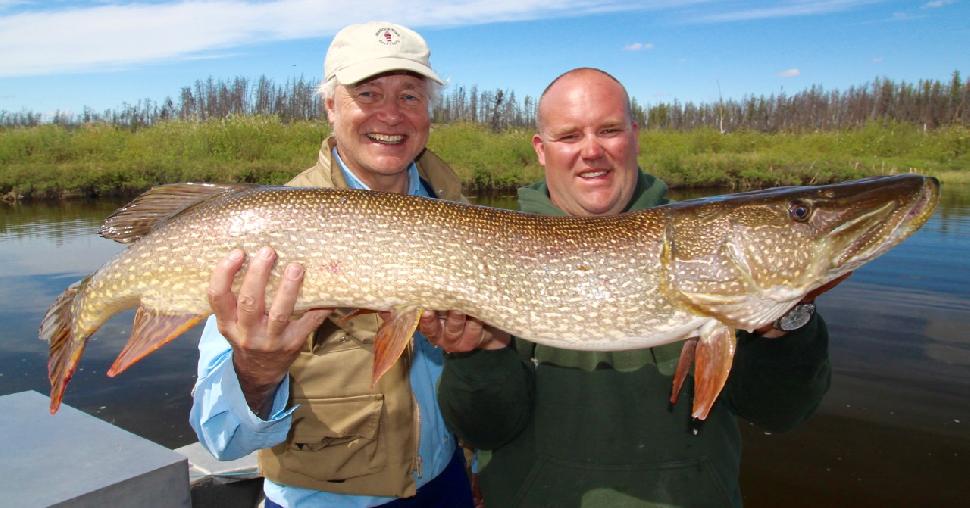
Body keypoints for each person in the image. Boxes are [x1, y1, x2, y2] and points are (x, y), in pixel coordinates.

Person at [425, 67, 837, 507]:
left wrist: (787, 322)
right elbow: (485, 431)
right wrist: (476, 358)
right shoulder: (491, 247)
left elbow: (779, 412)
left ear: (634, 136)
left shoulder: (710, 249)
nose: (591, 151)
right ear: (542, 151)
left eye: (609, 130)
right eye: (569, 136)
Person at [189, 21, 474, 508]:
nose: (391, 115)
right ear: (329, 106)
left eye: (409, 96)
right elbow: (222, 439)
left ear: (428, 112)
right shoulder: (269, 226)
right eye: (367, 93)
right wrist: (257, 370)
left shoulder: (461, 217)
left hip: (446, 484)